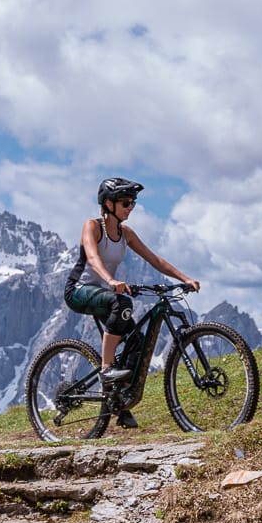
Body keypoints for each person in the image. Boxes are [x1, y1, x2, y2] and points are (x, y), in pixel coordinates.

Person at [65, 178, 200, 428]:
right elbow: (93, 258)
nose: (130, 208)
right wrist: (110, 279)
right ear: (108, 203)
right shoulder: (92, 226)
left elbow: (154, 259)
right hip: (80, 291)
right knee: (123, 303)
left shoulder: (126, 233)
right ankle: (106, 368)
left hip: (106, 294)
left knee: (137, 342)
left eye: (133, 203)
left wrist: (185, 278)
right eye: (126, 203)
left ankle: (119, 402)